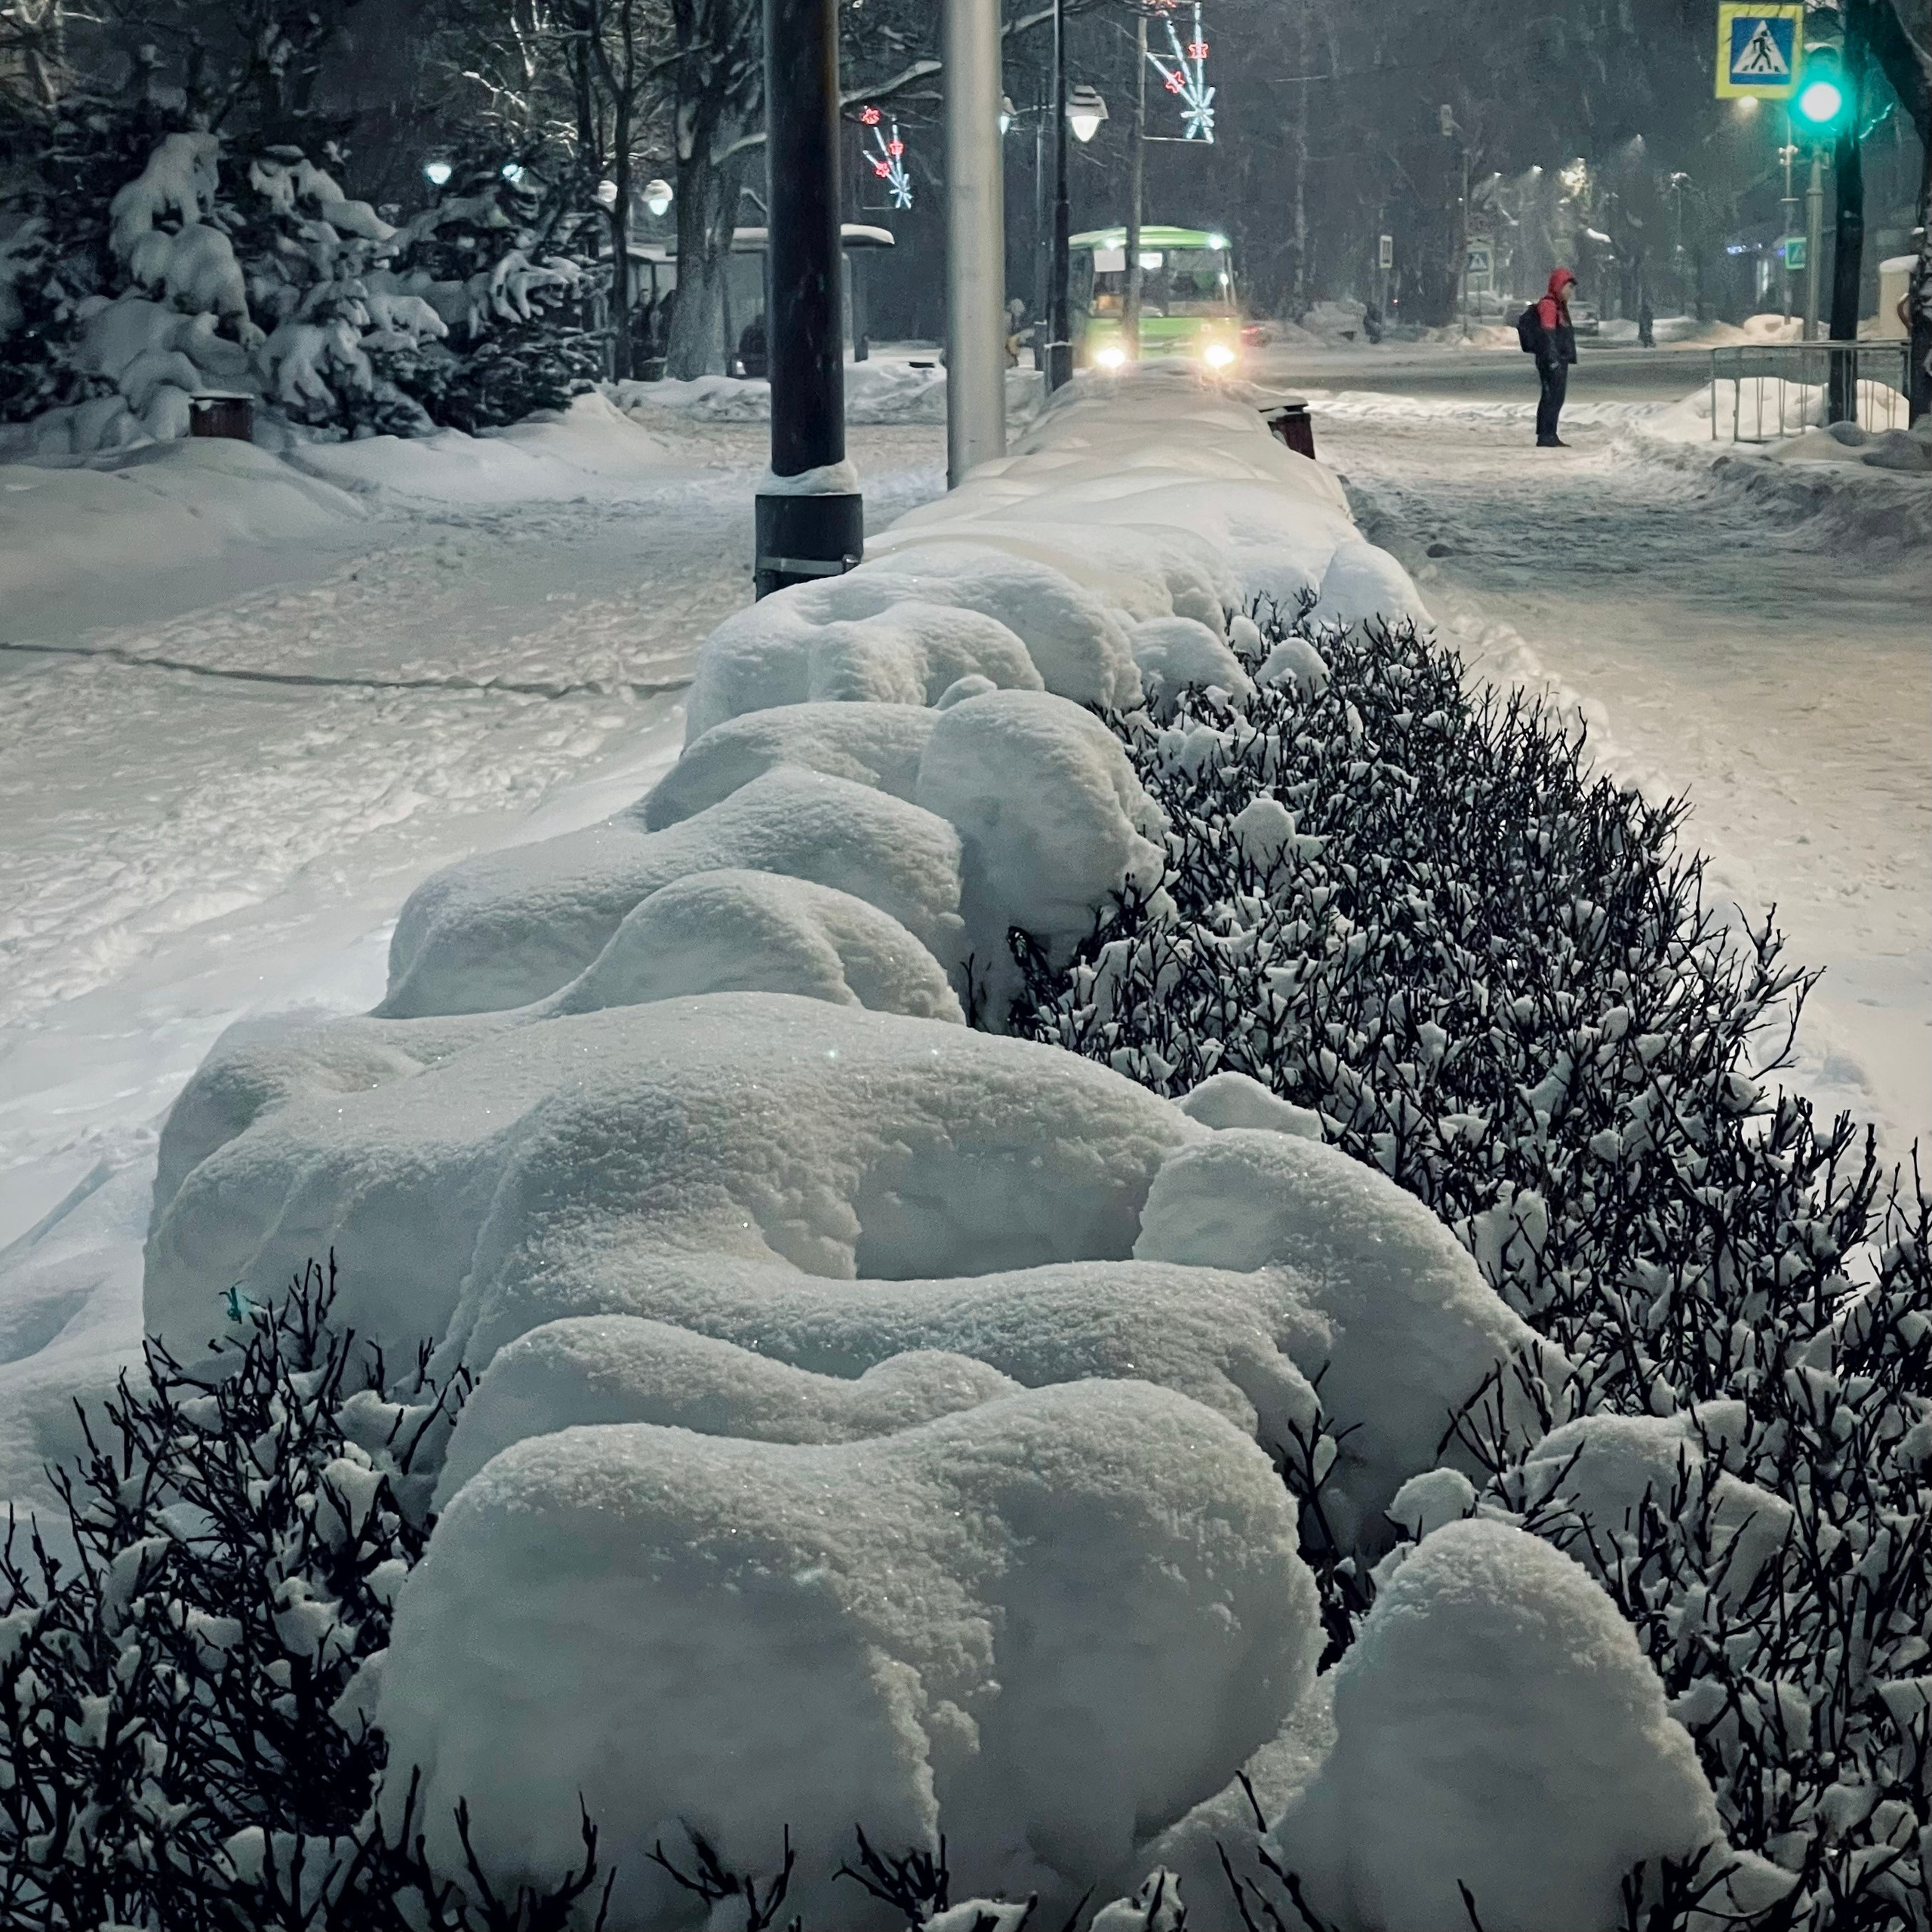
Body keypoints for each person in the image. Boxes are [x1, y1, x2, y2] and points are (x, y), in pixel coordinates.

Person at [1534, 266, 1579, 448]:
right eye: (1568, 288)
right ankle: (1545, 436)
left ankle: (1550, 433)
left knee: (1556, 397)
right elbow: (1548, 334)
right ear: (1558, 286)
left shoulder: (1559, 307)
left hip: (1558, 358)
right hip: (1551, 360)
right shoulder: (1549, 305)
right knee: (1551, 397)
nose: (1570, 292)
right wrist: (1553, 360)